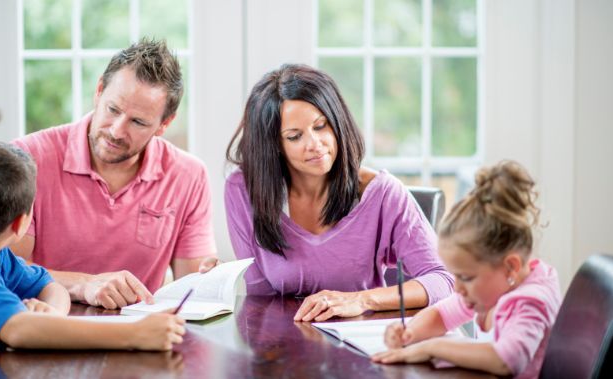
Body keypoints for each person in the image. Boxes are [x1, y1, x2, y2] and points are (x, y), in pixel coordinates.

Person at [224, 64, 454, 322]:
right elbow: (261, 301)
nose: (315, 144)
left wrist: (361, 299)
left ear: (337, 121)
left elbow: (442, 279)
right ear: (274, 145)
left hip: (363, 345)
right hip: (284, 348)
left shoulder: (383, 194)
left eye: (321, 126)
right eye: (294, 136)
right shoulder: (243, 191)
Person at [0, 142, 186, 375]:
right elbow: (18, 330)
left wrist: (50, 314)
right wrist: (135, 334)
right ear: (20, 223)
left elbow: (50, 285)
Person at [11, 38, 218, 310]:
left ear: (164, 124)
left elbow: (191, 290)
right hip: (46, 327)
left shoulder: (188, 175)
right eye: (113, 109)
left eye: (138, 122)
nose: (117, 131)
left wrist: (213, 279)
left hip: (139, 336)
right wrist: (85, 285)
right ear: (99, 91)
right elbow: (6, 271)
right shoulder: (28, 158)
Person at [372, 161, 562, 378]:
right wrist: (409, 334)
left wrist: (431, 348)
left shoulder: (531, 300)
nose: (458, 287)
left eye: (465, 277)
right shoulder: (492, 286)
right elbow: (442, 314)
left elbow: (505, 360)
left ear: (510, 267)